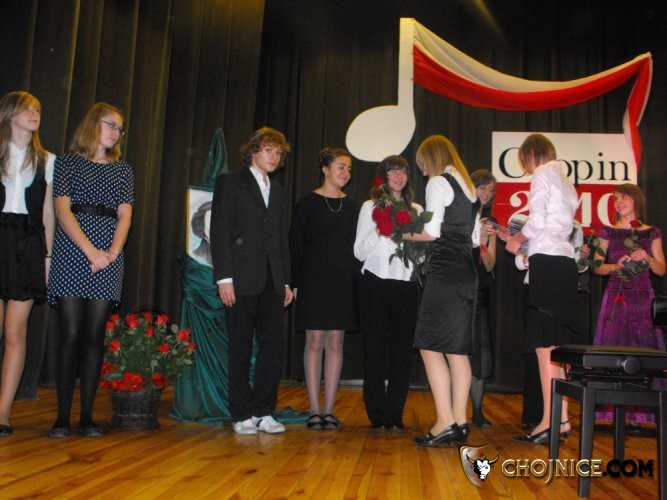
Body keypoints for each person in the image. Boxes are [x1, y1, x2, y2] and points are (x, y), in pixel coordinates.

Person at [47, 102, 134, 438]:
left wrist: (112, 252)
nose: (115, 132)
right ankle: (61, 417)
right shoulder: (66, 163)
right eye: (110, 124)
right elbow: (62, 211)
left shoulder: (123, 170)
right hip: (73, 250)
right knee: (70, 333)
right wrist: (90, 251)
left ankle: (86, 417)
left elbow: (125, 215)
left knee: (94, 336)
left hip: (109, 256)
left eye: (119, 128)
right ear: (93, 123)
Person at [210, 127, 293, 435]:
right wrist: (224, 277)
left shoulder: (279, 191)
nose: (274, 156)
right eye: (269, 150)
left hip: (272, 280)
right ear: (253, 151)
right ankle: (241, 413)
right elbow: (220, 231)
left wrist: (286, 282)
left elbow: (281, 239)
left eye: (278, 152)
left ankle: (264, 411)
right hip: (240, 278)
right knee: (241, 347)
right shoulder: (230, 182)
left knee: (272, 348)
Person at [499, 133, 580, 444]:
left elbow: (538, 218)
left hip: (547, 262)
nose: (527, 168)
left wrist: (516, 240)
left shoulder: (544, 173)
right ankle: (561, 419)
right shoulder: (565, 179)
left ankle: (548, 421)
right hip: (563, 262)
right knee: (556, 347)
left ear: (531, 154)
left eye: (525, 161)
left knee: (544, 347)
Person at [406, 135, 477, 447]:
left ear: (432, 158)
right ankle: (460, 422)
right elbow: (475, 239)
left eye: (423, 164)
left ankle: (444, 421)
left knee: (429, 344)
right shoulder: (468, 187)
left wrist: (401, 233)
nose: (423, 171)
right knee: (456, 349)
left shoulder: (438, 182)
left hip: (446, 271)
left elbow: (431, 232)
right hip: (466, 271)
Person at [290, 147, 358, 430]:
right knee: (315, 341)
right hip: (312, 281)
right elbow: (295, 245)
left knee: (336, 342)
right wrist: (294, 282)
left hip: (342, 282)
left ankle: (329, 410)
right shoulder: (307, 203)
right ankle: (314, 409)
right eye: (341, 166)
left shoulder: (353, 207)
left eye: (349, 169)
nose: (346, 173)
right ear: (325, 169)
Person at [0, 91, 56, 437]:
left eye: (38, 108)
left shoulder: (48, 160)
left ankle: (3, 412)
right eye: (27, 108)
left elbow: (48, 213)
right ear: (10, 114)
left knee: (14, 331)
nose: (35, 113)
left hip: (28, 243)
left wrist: (47, 257)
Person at [354, 155, 421, 430]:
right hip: (375, 284)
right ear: (383, 176)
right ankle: (377, 413)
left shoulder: (416, 209)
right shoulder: (370, 206)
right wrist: (380, 231)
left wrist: (419, 252)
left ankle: (395, 413)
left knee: (401, 352)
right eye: (392, 171)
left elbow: (421, 255)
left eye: (402, 171)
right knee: (375, 349)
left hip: (405, 285)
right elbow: (358, 251)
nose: (398, 176)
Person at [592, 183, 666, 430]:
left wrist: (648, 257)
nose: (618, 203)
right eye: (615, 199)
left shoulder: (651, 232)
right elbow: (596, 267)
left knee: (643, 352)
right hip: (616, 298)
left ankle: (641, 415)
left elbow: (661, 269)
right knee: (614, 351)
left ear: (636, 200)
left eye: (623, 197)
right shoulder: (607, 232)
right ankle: (612, 412)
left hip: (643, 299)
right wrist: (616, 266)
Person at [469, 169, 497, 429]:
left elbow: (490, 265)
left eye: (490, 189)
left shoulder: (491, 221)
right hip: (459, 289)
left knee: (480, 354)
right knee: (458, 352)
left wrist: (485, 243)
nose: (486, 193)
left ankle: (477, 412)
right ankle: (454, 412)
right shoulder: (461, 216)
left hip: (480, 293)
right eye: (482, 187)